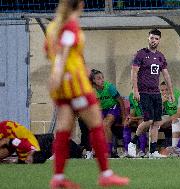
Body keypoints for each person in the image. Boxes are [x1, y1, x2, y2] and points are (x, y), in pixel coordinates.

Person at [44, 0, 129, 188]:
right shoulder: (71, 25)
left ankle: (58, 177)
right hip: (75, 85)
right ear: (80, 5)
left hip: (62, 88)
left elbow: (50, 52)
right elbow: (63, 53)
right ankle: (105, 174)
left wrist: (60, 74)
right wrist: (61, 72)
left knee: (64, 129)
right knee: (97, 125)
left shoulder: (52, 27)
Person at [128, 28, 175, 158]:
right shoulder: (141, 54)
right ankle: (132, 143)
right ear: (148, 38)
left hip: (156, 93)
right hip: (143, 92)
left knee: (156, 123)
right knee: (148, 120)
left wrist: (171, 93)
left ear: (159, 40)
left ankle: (153, 151)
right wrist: (135, 90)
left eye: (156, 38)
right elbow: (134, 72)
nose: (153, 40)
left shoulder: (160, 56)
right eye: (151, 38)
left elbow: (166, 75)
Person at [78, 69, 126, 158]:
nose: (102, 80)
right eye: (99, 78)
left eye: (102, 78)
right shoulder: (92, 89)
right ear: (93, 81)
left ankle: (109, 151)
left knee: (105, 124)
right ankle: (92, 150)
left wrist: (123, 117)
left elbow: (121, 101)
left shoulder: (110, 87)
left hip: (113, 108)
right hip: (102, 110)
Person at [122, 91, 147, 157]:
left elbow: (147, 115)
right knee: (126, 123)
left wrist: (134, 118)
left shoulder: (146, 96)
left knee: (141, 123)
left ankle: (142, 151)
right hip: (138, 117)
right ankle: (127, 151)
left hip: (148, 119)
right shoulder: (131, 96)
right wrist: (130, 117)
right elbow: (132, 112)